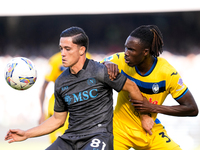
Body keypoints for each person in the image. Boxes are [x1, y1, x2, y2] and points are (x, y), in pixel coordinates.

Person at [5, 26, 154, 150]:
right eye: (61, 48)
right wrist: (26, 134)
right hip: (71, 138)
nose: (62, 53)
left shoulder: (102, 71)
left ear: (82, 50)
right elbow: (58, 119)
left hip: (98, 136)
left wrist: (145, 116)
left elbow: (132, 87)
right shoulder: (61, 81)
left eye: (68, 49)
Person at [102, 25, 198, 150]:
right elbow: (92, 68)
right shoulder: (119, 60)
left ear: (145, 52)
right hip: (119, 130)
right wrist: (106, 63)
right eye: (126, 47)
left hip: (150, 130)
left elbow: (192, 109)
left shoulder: (167, 73)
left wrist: (153, 107)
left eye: (131, 49)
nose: (126, 53)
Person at [39, 51, 92, 143]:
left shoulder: (87, 57)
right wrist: (42, 113)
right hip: (58, 110)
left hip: (80, 109)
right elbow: (44, 87)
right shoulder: (55, 60)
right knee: (59, 144)